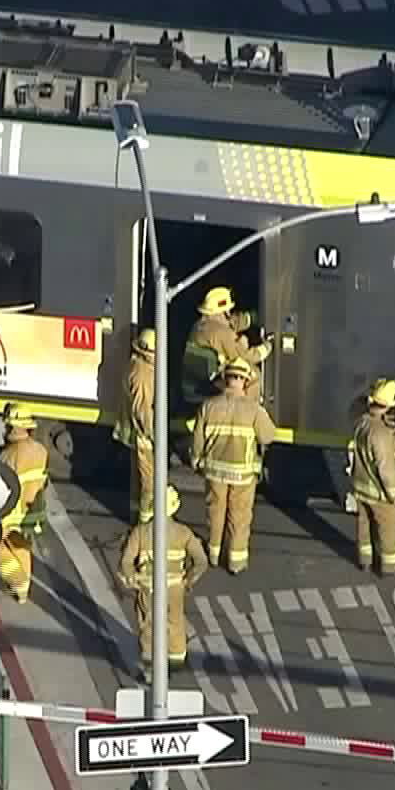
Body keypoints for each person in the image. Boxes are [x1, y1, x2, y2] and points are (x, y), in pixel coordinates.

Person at [191, 357, 277, 574]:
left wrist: (196, 461)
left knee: (215, 512)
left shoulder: (208, 406)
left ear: (225, 380)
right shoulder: (253, 409)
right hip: (242, 475)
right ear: (245, 381)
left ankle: (213, 553)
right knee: (238, 516)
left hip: (214, 471)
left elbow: (197, 441)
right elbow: (268, 436)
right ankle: (235, 562)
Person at [112, 485, 209, 676]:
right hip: (174, 587)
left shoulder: (140, 532)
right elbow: (201, 562)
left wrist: (132, 579)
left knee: (148, 624)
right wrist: (188, 580)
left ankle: (150, 665)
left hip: (148, 587)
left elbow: (126, 562)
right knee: (175, 620)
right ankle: (176, 659)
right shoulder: (183, 533)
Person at [0, 403, 51, 603]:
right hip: (33, 512)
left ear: (12, 427)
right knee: (21, 546)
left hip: (10, 514)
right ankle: (23, 592)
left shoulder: (7, 455)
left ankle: (18, 582)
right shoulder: (41, 450)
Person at [348, 377, 395, 575]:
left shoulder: (362, 423)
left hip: (361, 488)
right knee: (389, 531)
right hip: (380, 494)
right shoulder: (381, 434)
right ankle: (390, 569)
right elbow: (387, 470)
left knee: (364, 528)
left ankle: (365, 561)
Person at [181, 287, 273, 409]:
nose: (230, 314)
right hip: (214, 383)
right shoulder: (221, 333)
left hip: (198, 383)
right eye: (228, 311)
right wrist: (267, 347)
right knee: (252, 374)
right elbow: (246, 356)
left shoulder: (200, 326)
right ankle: (248, 412)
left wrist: (251, 317)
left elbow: (232, 323)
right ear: (222, 312)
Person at [113, 329, 156, 519]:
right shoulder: (143, 374)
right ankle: (145, 520)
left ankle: (134, 512)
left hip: (131, 429)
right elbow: (143, 408)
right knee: (148, 480)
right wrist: (151, 433)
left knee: (136, 477)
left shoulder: (134, 364)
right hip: (141, 433)